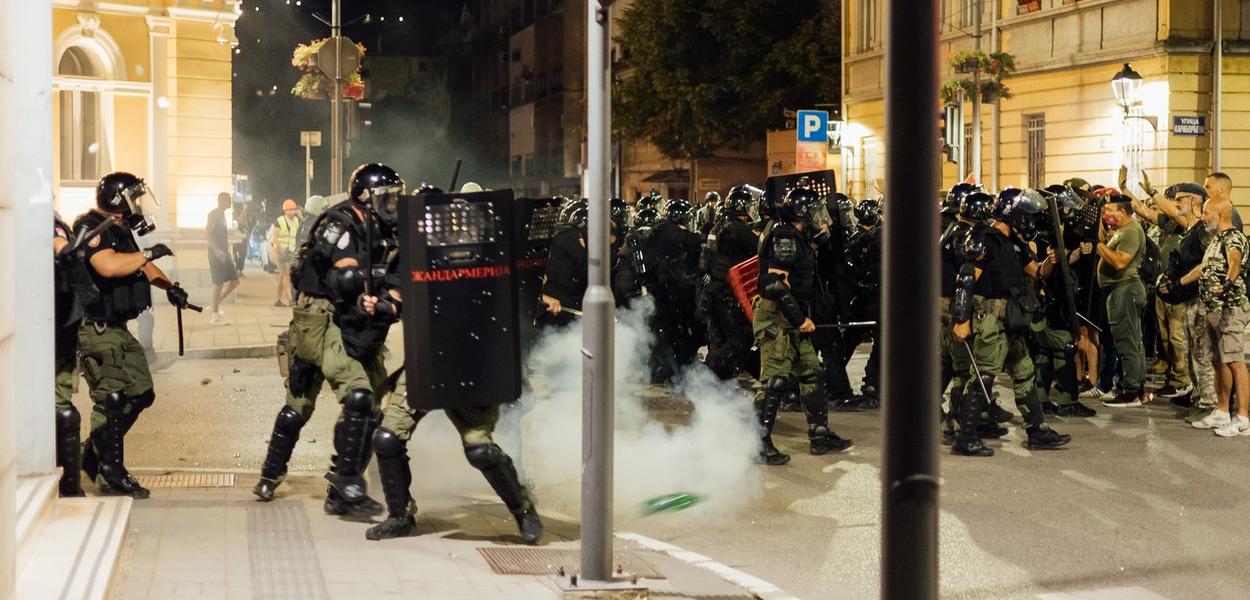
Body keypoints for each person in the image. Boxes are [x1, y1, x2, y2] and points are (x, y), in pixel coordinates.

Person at [253, 163, 405, 518]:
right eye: (387, 197)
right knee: (303, 405)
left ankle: (341, 484)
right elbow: (348, 275)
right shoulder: (339, 223)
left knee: (371, 408)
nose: (393, 204)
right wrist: (385, 277)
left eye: (396, 197)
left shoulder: (384, 226)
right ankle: (274, 476)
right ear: (365, 198)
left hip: (356, 320)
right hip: (321, 319)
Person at [75, 172, 190, 497]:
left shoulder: (120, 228)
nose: (139, 204)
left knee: (141, 391)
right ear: (118, 200)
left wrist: (170, 287)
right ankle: (111, 473)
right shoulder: (92, 227)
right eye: (134, 198)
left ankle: (91, 455)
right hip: (97, 327)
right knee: (111, 399)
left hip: (118, 328)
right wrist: (150, 253)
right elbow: (109, 266)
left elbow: (138, 265)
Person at [950, 188, 1070, 456]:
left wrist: (1051, 260)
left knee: (1024, 370)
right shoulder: (984, 238)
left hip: (1013, 319)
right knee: (983, 375)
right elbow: (966, 279)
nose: (1030, 223)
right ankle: (965, 437)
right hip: (990, 318)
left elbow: (1037, 271)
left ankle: (1037, 430)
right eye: (1027, 216)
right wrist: (961, 319)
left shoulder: (1012, 242)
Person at [365, 374, 544, 543]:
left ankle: (524, 510)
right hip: (427, 366)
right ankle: (399, 516)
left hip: (472, 373)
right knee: (387, 439)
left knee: (480, 451)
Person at [754, 184, 853, 465]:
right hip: (779, 316)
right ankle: (757, 444)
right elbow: (774, 284)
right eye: (814, 210)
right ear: (802, 212)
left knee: (812, 372)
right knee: (774, 380)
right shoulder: (785, 237)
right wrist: (800, 319)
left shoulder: (796, 235)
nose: (819, 215)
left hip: (792, 315)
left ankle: (819, 434)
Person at [1187, 174, 1250, 435]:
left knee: (1235, 361)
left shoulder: (1233, 237)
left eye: (1206, 213)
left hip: (1231, 309)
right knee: (1218, 361)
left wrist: (1227, 282)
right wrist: (1179, 283)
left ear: (1219, 215)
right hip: (1214, 310)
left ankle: (1243, 418)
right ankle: (1222, 411)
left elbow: (1234, 261)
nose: (1202, 218)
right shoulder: (1214, 239)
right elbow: (1204, 267)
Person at [1131, 177, 1199, 402]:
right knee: (1167, 337)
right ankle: (1174, 377)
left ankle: (1183, 381)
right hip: (1166, 285)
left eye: (1179, 199)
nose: (1175, 203)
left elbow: (1170, 212)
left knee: (1178, 337)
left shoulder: (1188, 222)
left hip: (1181, 288)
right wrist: (1124, 192)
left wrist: (1154, 194)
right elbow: (1145, 213)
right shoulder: (1172, 223)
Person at [53, 213, 101, 497]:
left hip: (62, 329)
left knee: (62, 409)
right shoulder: (38, 217)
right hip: (48, 332)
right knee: (63, 413)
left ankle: (68, 484)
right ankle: (68, 486)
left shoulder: (51, 216)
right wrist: (66, 249)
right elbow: (55, 241)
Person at [700, 186, 759, 381]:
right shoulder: (738, 228)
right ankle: (709, 375)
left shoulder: (719, 225)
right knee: (740, 337)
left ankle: (716, 384)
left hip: (713, 289)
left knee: (720, 340)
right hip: (727, 292)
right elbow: (760, 248)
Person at [1095, 192, 1149, 407]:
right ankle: (1133, 385)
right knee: (1130, 340)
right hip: (1119, 290)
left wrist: (1098, 246)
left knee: (1127, 341)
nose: (1106, 214)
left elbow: (1120, 262)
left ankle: (1131, 390)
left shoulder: (1130, 231)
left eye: (1110, 210)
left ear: (1123, 212)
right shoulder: (1121, 230)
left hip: (1125, 290)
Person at [207, 192, 240, 325]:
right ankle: (215, 316)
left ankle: (215, 304)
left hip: (224, 254)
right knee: (218, 283)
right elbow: (207, 234)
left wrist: (225, 252)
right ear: (221, 201)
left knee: (235, 282)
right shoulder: (214, 214)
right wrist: (217, 251)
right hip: (216, 254)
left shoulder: (222, 215)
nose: (230, 202)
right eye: (228, 200)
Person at [271, 198, 303, 307]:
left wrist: (300, 215)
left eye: (294, 209)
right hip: (280, 250)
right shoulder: (279, 221)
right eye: (290, 210)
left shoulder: (297, 221)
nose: (292, 212)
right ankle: (290, 300)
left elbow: (303, 227)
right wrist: (281, 251)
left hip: (290, 250)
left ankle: (277, 300)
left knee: (282, 276)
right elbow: (275, 238)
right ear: (285, 211)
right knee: (286, 275)